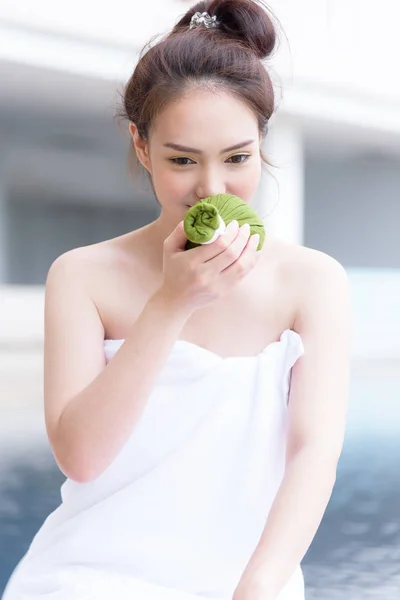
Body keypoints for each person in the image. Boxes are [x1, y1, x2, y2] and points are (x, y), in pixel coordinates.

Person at [2, 1, 352, 599]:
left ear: (261, 141)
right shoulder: (83, 276)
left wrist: (261, 583)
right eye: (182, 160)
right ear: (141, 146)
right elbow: (81, 458)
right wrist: (171, 302)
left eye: (238, 158)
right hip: (85, 581)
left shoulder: (312, 281)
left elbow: (314, 451)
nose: (211, 189)